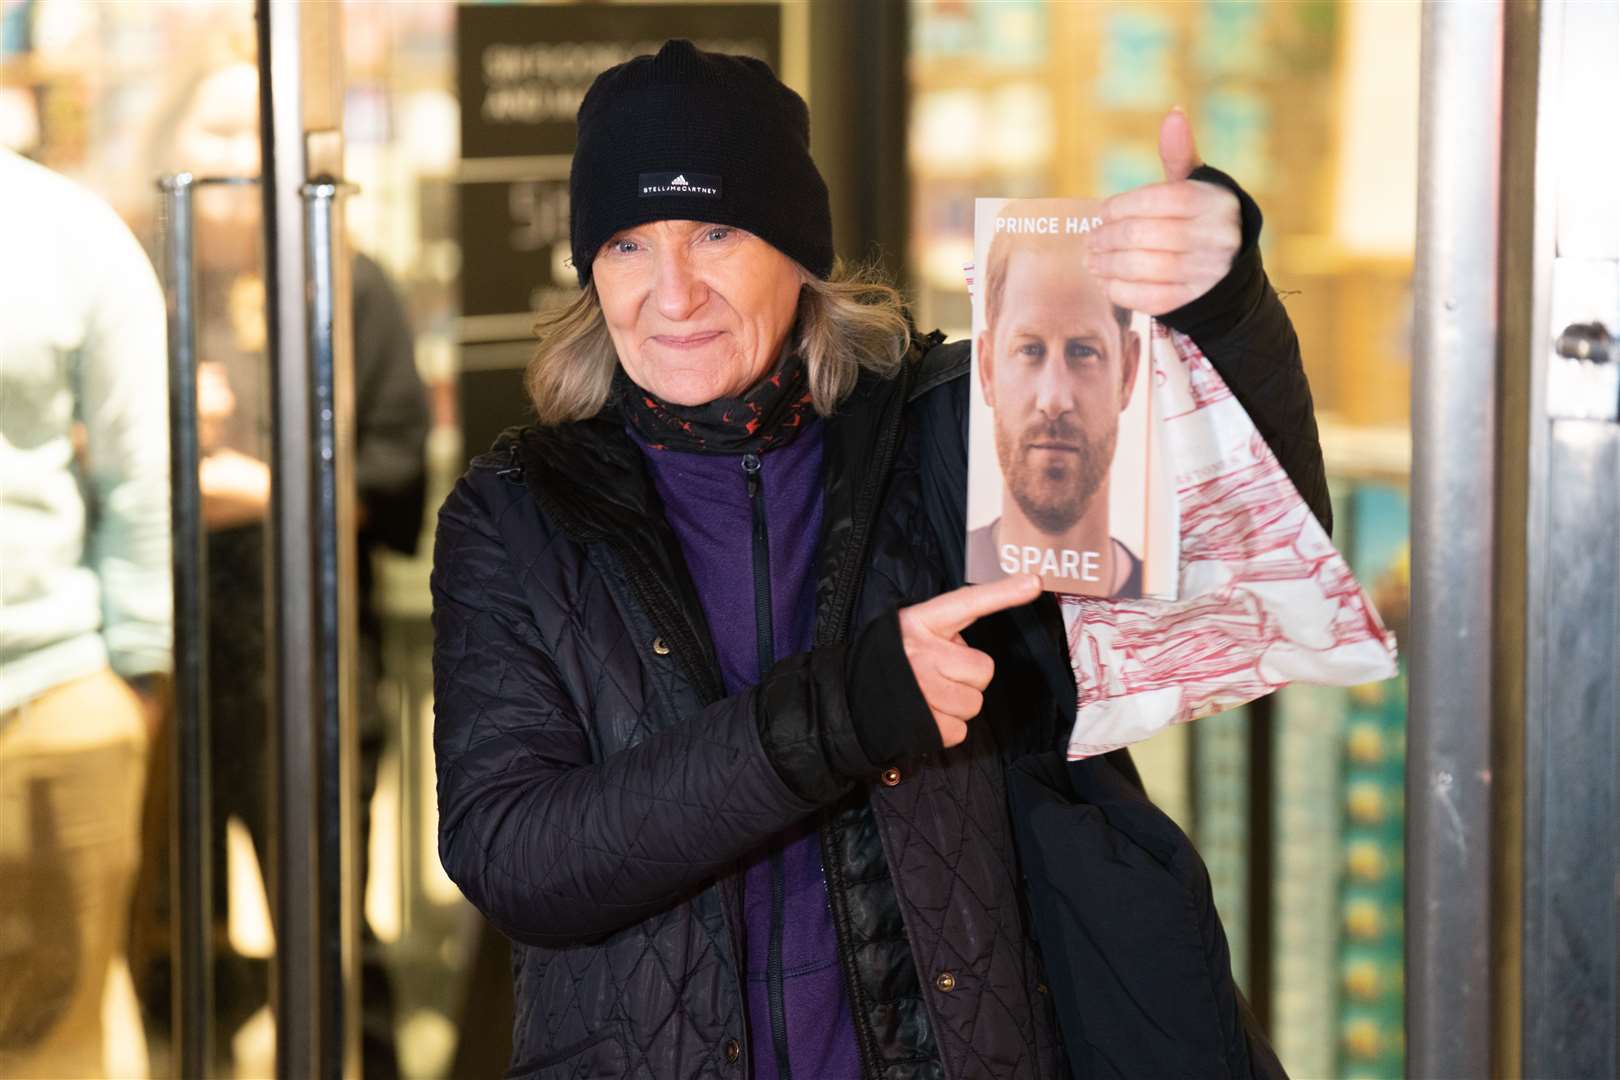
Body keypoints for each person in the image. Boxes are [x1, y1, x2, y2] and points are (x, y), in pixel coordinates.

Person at [432, 40, 1327, 1079]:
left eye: (715, 231)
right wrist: (842, 712)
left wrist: (1219, 303)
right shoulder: (520, 517)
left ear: (799, 250)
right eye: (629, 244)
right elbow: (514, 856)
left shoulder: (957, 437)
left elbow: (1249, 550)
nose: (670, 295)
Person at [0, 147, 171, 1078]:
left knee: (53, 1044)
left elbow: (142, 464)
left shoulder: (62, 228)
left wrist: (135, 671)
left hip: (46, 689)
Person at [967, 200, 1145, 598]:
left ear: (1129, 371)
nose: (1054, 398)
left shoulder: (1182, 596)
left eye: (1083, 351)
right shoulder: (929, 576)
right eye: (1030, 350)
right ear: (988, 368)